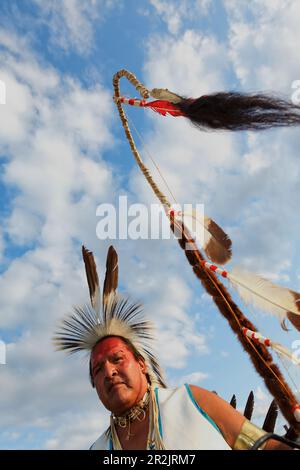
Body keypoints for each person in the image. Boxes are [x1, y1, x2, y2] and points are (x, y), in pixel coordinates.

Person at [54, 245, 292, 450]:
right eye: (97, 369)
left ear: (141, 364)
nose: (108, 372)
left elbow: (266, 447)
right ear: (94, 385)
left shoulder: (193, 402)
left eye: (117, 358)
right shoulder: (99, 448)